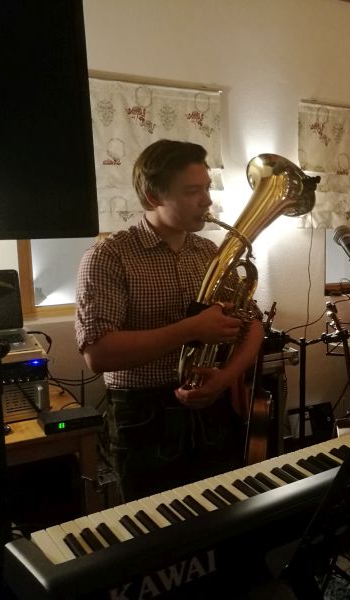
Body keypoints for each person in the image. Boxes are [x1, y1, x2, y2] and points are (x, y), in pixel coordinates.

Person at [75, 139, 264, 502]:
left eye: (207, 187)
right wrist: (192, 329)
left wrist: (225, 378)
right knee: (155, 524)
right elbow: (98, 353)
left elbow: (253, 324)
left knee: (221, 512)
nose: (207, 201)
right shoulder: (108, 256)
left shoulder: (209, 252)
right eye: (192, 191)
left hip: (211, 406)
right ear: (152, 197)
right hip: (142, 415)